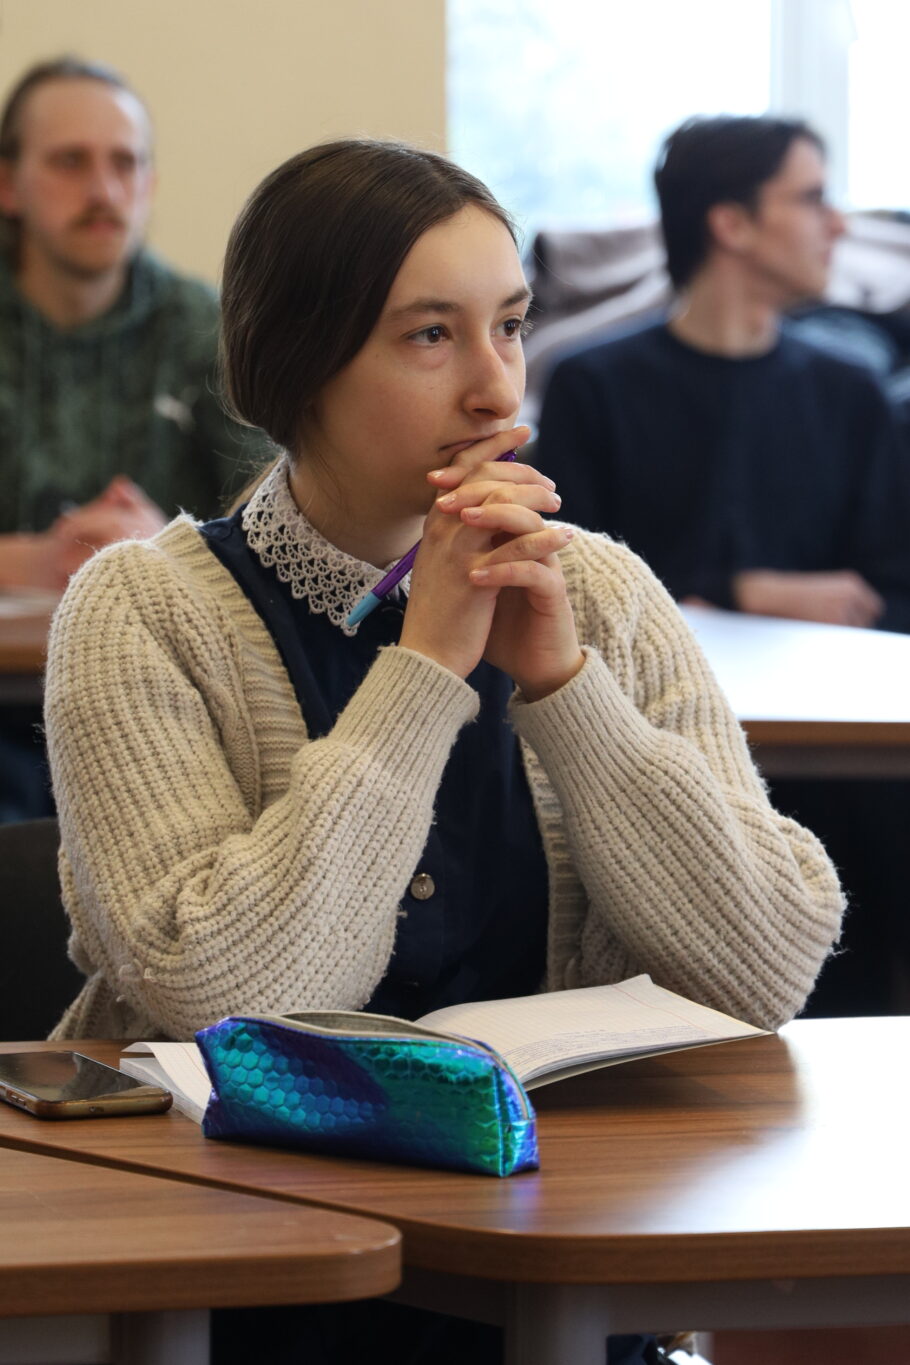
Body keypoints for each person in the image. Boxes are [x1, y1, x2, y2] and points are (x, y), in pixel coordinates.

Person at [44, 138, 843, 1365]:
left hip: (558, 1248)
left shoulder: (601, 595)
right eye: (431, 336)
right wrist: (421, 674)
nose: (494, 388)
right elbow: (223, 998)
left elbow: (767, 967)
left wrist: (566, 690)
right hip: (242, 1278)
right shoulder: (142, 610)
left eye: (510, 327)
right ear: (299, 365)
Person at [535, 115, 910, 632]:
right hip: (636, 679)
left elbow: (894, 594)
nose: (840, 225)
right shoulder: (590, 386)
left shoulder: (852, 391)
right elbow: (567, 583)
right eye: (813, 199)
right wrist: (742, 592)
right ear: (732, 224)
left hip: (829, 679)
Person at [0, 56, 264, 591]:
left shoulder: (210, 328)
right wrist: (29, 564)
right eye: (70, 161)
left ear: (150, 184)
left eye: (125, 163)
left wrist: (171, 550)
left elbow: (282, 530)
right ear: (7, 184)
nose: (103, 191)